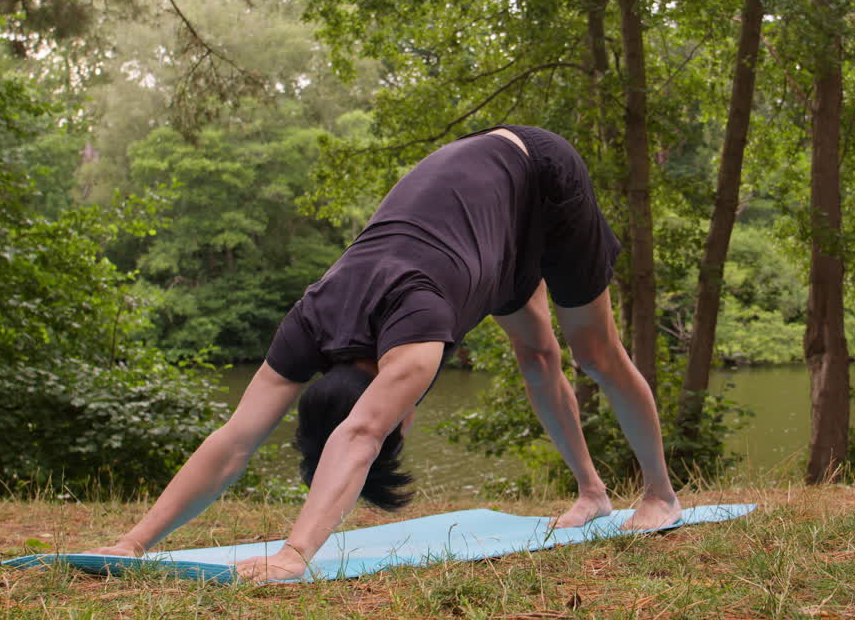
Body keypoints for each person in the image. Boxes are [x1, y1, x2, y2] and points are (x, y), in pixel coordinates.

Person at [88, 125, 681, 581]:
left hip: (539, 175)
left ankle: (660, 496)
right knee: (536, 355)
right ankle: (594, 493)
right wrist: (132, 543)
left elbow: (362, 435)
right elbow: (234, 440)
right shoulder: (309, 323)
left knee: (592, 354)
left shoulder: (414, 334)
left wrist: (295, 554)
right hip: (481, 222)